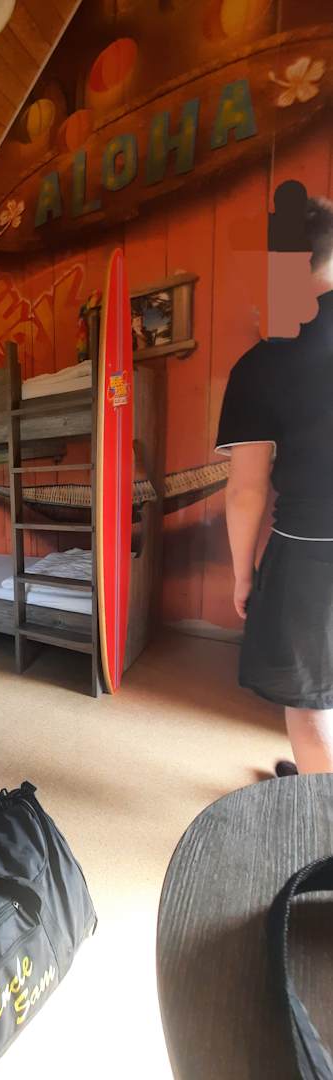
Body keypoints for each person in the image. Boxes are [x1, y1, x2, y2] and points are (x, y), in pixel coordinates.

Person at [216, 195, 333, 774]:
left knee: (311, 703)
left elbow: (247, 491)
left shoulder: (263, 364)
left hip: (313, 551)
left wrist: (244, 575)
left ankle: (319, 801)